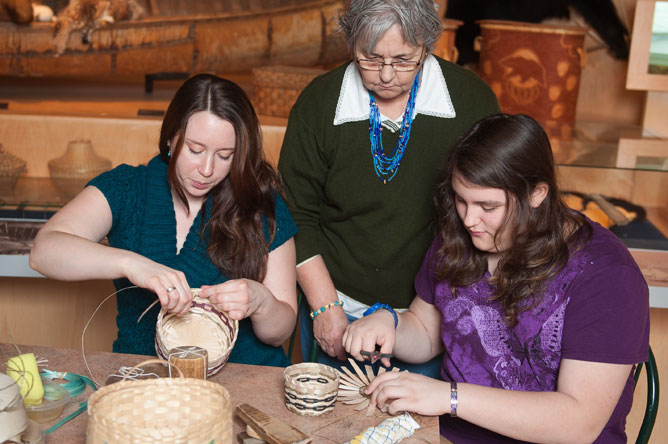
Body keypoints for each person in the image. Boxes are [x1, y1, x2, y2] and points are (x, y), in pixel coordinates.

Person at [343, 113, 650, 443]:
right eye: (461, 200)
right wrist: (388, 324)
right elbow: (426, 331)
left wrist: (449, 397)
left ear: (537, 194)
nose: (469, 219)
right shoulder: (461, 237)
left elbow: (578, 423)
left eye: (487, 206)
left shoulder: (606, 275)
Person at [277, 0, 500, 375]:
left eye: (402, 59)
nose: (385, 74)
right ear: (351, 44)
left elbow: (491, 205)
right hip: (336, 302)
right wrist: (324, 307)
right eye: (369, 57)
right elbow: (294, 213)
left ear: (427, 45)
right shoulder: (319, 103)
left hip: (431, 314)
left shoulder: (471, 101)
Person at [30, 74, 299, 367]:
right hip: (147, 379)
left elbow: (278, 334)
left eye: (225, 156)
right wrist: (133, 264)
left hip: (247, 379)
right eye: (195, 150)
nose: (207, 169)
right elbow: (44, 251)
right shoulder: (128, 188)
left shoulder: (260, 201)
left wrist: (260, 301)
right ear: (171, 138)